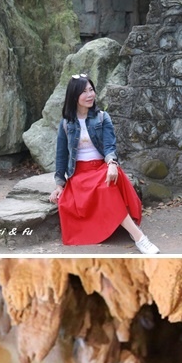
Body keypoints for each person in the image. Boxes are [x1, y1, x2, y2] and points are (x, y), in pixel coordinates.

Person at [48, 74, 159, 254]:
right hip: (80, 174)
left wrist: (112, 164)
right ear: (74, 96)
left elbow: (109, 146)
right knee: (88, 194)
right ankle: (137, 235)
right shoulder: (67, 123)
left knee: (106, 187)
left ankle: (139, 238)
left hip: (101, 167)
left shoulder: (101, 118)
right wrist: (59, 184)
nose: (90, 94)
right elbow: (61, 155)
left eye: (91, 90)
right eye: (84, 91)